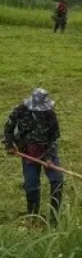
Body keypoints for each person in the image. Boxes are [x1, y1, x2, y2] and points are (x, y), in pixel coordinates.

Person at [3, 89, 64, 222]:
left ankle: (54, 218)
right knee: (31, 185)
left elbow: (54, 138)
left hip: (47, 149)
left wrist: (48, 157)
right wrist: (9, 145)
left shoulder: (50, 115)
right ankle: (33, 216)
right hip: (28, 150)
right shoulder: (20, 110)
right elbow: (8, 128)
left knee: (57, 181)